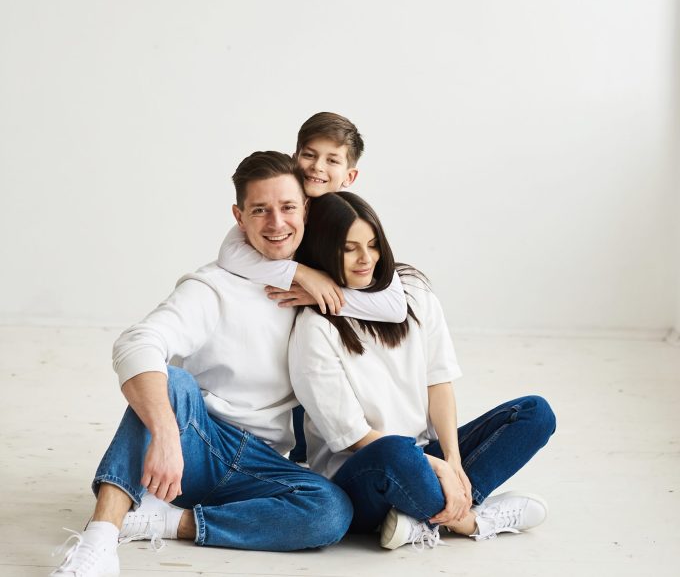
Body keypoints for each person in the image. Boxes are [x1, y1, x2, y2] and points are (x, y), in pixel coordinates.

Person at [51, 152, 379, 577]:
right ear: (239, 218)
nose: (276, 223)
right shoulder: (212, 287)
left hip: (260, 461)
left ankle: (167, 520)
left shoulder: (325, 282)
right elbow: (137, 342)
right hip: (197, 445)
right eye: (260, 210)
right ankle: (98, 541)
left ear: (307, 210)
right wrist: (167, 434)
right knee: (172, 380)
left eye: (288, 208)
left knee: (331, 512)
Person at [288, 192, 557, 550]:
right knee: (397, 453)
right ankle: (472, 520)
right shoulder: (314, 327)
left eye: (373, 244)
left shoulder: (411, 293)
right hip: (364, 469)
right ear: (323, 251)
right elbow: (353, 436)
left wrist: (453, 460)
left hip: (420, 455)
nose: (366, 258)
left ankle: (420, 519)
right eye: (349, 248)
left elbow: (438, 381)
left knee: (535, 413)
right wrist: (440, 468)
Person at [216, 112, 407, 465]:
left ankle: (335, 450)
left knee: (320, 380)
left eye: (332, 160)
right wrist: (302, 274)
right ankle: (293, 451)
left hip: (324, 339)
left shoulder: (351, 217)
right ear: (295, 155)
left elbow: (394, 306)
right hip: (278, 333)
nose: (317, 166)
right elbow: (230, 253)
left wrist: (328, 296)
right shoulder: (281, 198)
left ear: (349, 176)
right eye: (309, 153)